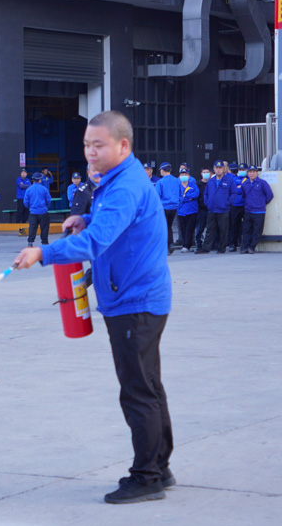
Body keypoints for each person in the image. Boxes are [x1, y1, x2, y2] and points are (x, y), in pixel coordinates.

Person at [14, 111, 173, 505]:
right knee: (148, 385)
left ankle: (147, 476)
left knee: (138, 391)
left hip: (134, 303)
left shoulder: (123, 187)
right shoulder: (120, 180)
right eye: (86, 145)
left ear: (123, 146)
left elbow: (96, 242)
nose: (89, 152)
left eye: (98, 145)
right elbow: (108, 224)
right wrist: (84, 215)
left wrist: (43, 252)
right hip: (136, 298)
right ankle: (160, 465)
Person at [196, 160, 235, 254]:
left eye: (220, 168)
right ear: (214, 169)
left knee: (223, 230)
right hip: (212, 209)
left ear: (224, 169)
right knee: (210, 229)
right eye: (216, 168)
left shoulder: (229, 180)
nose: (218, 170)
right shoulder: (211, 181)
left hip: (223, 210)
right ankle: (206, 248)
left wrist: (227, 203)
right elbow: (206, 193)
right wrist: (208, 203)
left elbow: (234, 193)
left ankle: (222, 248)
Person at [240, 165, 274, 254]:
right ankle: (245, 247)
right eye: (250, 172)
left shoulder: (262, 183)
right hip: (248, 210)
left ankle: (252, 247)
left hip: (259, 211)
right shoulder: (245, 183)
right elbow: (244, 195)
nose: (252, 173)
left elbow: (269, 195)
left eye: (254, 172)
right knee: (246, 230)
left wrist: (262, 203)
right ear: (247, 173)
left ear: (257, 173)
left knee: (257, 230)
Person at [154, 163, 181, 253]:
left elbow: (157, 196)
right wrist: (178, 204)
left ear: (162, 170)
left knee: (163, 227)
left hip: (164, 207)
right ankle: (170, 244)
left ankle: (166, 245)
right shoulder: (177, 181)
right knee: (169, 226)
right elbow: (181, 194)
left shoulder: (160, 182)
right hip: (174, 208)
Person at [175, 167, 200, 252]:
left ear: (189, 176)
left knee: (190, 228)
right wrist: (187, 198)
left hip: (192, 210)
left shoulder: (193, 185)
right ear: (179, 176)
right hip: (181, 211)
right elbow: (178, 198)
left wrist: (185, 197)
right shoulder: (177, 186)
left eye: (185, 174)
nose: (184, 176)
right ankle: (186, 244)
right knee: (183, 229)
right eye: (182, 174)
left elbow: (196, 194)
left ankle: (186, 246)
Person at [24, 172, 51, 246]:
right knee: (44, 228)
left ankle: (30, 242)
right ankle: (44, 242)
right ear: (40, 180)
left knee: (32, 227)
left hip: (33, 212)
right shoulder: (44, 189)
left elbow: (26, 202)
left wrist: (30, 207)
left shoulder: (29, 190)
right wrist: (45, 207)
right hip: (43, 212)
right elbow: (48, 200)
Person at [226, 163, 248, 252]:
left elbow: (246, 190)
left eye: (243, 170)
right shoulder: (234, 179)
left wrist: (240, 188)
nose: (242, 171)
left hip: (245, 205)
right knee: (234, 225)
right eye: (240, 170)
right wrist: (240, 189)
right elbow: (233, 190)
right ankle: (232, 244)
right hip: (235, 205)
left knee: (246, 226)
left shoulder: (248, 180)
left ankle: (245, 244)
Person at [194, 167, 211, 250]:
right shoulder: (197, 184)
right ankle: (199, 244)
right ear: (201, 173)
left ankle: (210, 244)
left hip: (211, 209)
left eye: (207, 172)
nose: (206, 173)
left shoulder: (212, 183)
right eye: (204, 172)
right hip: (201, 209)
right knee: (200, 228)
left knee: (211, 228)